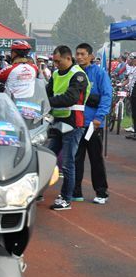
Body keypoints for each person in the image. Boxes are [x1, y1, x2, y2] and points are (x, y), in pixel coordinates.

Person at [46, 45, 91, 211]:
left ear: (67, 58)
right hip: (57, 121)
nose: (56, 64)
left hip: (73, 123)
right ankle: (38, 191)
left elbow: (70, 97)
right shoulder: (56, 74)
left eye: (58, 61)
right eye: (54, 61)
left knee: (67, 163)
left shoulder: (78, 75)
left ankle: (66, 198)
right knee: (48, 157)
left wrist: (47, 101)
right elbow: (46, 92)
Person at [72, 43, 111, 205]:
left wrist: (98, 118)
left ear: (91, 56)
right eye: (78, 54)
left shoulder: (99, 74)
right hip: (76, 124)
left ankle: (101, 192)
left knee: (95, 159)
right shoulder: (74, 73)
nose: (80, 57)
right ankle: (75, 191)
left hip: (93, 125)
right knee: (76, 158)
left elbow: (107, 96)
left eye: (83, 54)